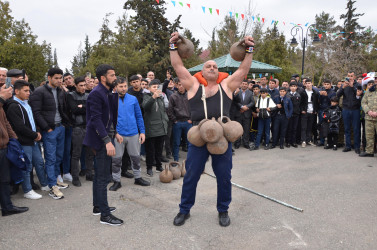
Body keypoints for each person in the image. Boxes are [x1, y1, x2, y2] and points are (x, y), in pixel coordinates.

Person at [169, 31, 255, 227]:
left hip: (221, 138)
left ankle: (223, 210)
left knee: (224, 176)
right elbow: (178, 66)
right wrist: (173, 46)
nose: (212, 67)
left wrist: (249, 49)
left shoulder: (226, 86)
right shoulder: (193, 86)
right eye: (208, 65)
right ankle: (184, 210)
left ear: (219, 71)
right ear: (202, 69)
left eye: (215, 66)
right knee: (191, 175)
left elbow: (243, 70)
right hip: (198, 136)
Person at [83, 64, 123, 226]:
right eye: (112, 75)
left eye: (115, 75)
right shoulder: (96, 94)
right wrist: (107, 141)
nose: (115, 78)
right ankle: (105, 216)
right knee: (102, 178)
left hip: (107, 137)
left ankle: (98, 207)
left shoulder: (108, 92)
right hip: (99, 140)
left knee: (100, 175)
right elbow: (96, 120)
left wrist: (116, 133)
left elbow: (110, 117)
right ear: (103, 78)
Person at [29, 68, 70, 199]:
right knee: (51, 158)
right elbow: (36, 112)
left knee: (59, 156)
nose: (59, 80)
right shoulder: (39, 92)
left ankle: (56, 180)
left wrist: (64, 123)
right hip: (49, 130)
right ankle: (52, 186)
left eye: (60, 78)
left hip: (60, 128)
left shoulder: (60, 91)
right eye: (56, 78)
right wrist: (47, 128)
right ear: (49, 78)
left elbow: (62, 108)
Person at [6, 80, 48, 199]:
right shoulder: (13, 106)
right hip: (24, 141)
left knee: (39, 162)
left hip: (33, 139)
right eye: (25, 91)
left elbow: (32, 121)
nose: (28, 93)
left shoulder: (26, 103)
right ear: (16, 91)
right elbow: (19, 127)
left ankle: (44, 184)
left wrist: (37, 132)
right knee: (27, 166)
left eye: (28, 90)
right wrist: (34, 135)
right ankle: (27, 190)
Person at [109, 77, 150, 191]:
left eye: (125, 86)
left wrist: (142, 132)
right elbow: (109, 119)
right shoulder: (111, 100)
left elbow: (139, 116)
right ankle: (117, 181)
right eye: (121, 86)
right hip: (119, 135)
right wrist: (115, 133)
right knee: (116, 160)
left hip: (133, 133)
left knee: (136, 158)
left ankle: (138, 178)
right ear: (115, 87)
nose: (123, 89)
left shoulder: (133, 99)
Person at [0, 84, 29, 216]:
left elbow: (6, 122)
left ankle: (7, 207)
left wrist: (14, 139)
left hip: (4, 146)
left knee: (5, 179)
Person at [67, 76, 94, 186]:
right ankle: (75, 177)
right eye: (81, 85)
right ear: (75, 86)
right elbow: (74, 109)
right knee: (76, 154)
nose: (83, 87)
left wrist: (82, 106)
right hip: (77, 128)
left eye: (84, 85)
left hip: (88, 127)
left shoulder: (89, 95)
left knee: (89, 153)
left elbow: (92, 109)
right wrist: (85, 107)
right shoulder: (70, 95)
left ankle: (89, 174)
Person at [142, 79, 169, 177]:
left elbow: (163, 111)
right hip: (151, 128)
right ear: (149, 88)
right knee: (150, 150)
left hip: (161, 127)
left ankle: (158, 165)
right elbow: (146, 107)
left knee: (159, 149)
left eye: (157, 87)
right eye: (154, 87)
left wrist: (165, 120)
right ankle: (149, 168)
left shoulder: (161, 97)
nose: (156, 89)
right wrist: (153, 97)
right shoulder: (146, 96)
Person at [337, 71, 363, 154]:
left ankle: (357, 146)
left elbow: (359, 95)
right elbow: (338, 95)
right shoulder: (344, 85)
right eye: (348, 76)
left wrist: (352, 87)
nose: (350, 77)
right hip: (346, 109)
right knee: (347, 128)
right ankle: (347, 146)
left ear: (354, 77)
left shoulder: (358, 85)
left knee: (356, 129)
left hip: (355, 109)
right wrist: (342, 87)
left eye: (351, 76)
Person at [167, 78, 192, 162]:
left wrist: (191, 119)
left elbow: (194, 108)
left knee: (190, 143)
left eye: (182, 85)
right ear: (176, 85)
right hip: (177, 122)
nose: (181, 86)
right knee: (176, 143)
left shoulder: (190, 95)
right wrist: (174, 120)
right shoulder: (173, 96)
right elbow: (169, 110)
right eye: (179, 85)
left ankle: (190, 161)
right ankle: (176, 161)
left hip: (188, 122)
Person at [233, 79, 255, 149]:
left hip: (247, 114)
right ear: (240, 84)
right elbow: (235, 101)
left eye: (245, 84)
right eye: (243, 84)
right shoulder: (237, 92)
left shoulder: (250, 93)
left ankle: (246, 142)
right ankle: (237, 142)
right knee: (238, 129)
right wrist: (242, 107)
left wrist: (246, 107)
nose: (244, 85)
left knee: (246, 129)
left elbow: (252, 102)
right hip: (238, 113)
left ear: (247, 85)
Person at [360, 80, 377, 157]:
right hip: (369, 117)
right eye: (375, 79)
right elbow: (363, 102)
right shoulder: (369, 91)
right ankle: (369, 151)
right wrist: (368, 111)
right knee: (369, 135)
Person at [300, 79, 319, 147]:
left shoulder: (315, 93)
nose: (308, 84)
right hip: (305, 112)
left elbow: (316, 103)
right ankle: (303, 141)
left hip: (312, 112)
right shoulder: (302, 92)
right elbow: (300, 103)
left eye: (309, 83)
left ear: (312, 84)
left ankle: (309, 140)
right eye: (306, 83)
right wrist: (302, 110)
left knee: (309, 127)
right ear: (305, 84)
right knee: (304, 127)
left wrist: (315, 110)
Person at [286, 81, 301, 148]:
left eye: (294, 86)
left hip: (296, 114)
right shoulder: (287, 95)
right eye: (292, 86)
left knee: (295, 128)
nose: (293, 88)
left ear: (296, 87)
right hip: (289, 114)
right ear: (290, 87)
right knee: (289, 128)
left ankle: (293, 141)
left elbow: (299, 104)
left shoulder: (298, 95)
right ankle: (288, 141)